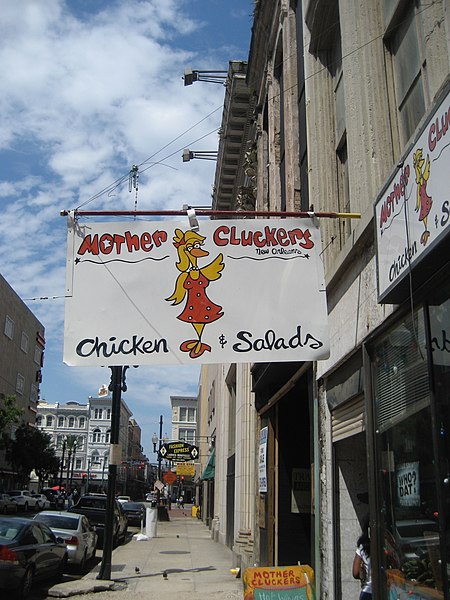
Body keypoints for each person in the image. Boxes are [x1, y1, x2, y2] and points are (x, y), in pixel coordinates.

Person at [352, 517, 372, 599]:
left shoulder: (362, 547)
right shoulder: (385, 545)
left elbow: (355, 572)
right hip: (384, 591)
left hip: (367, 592)